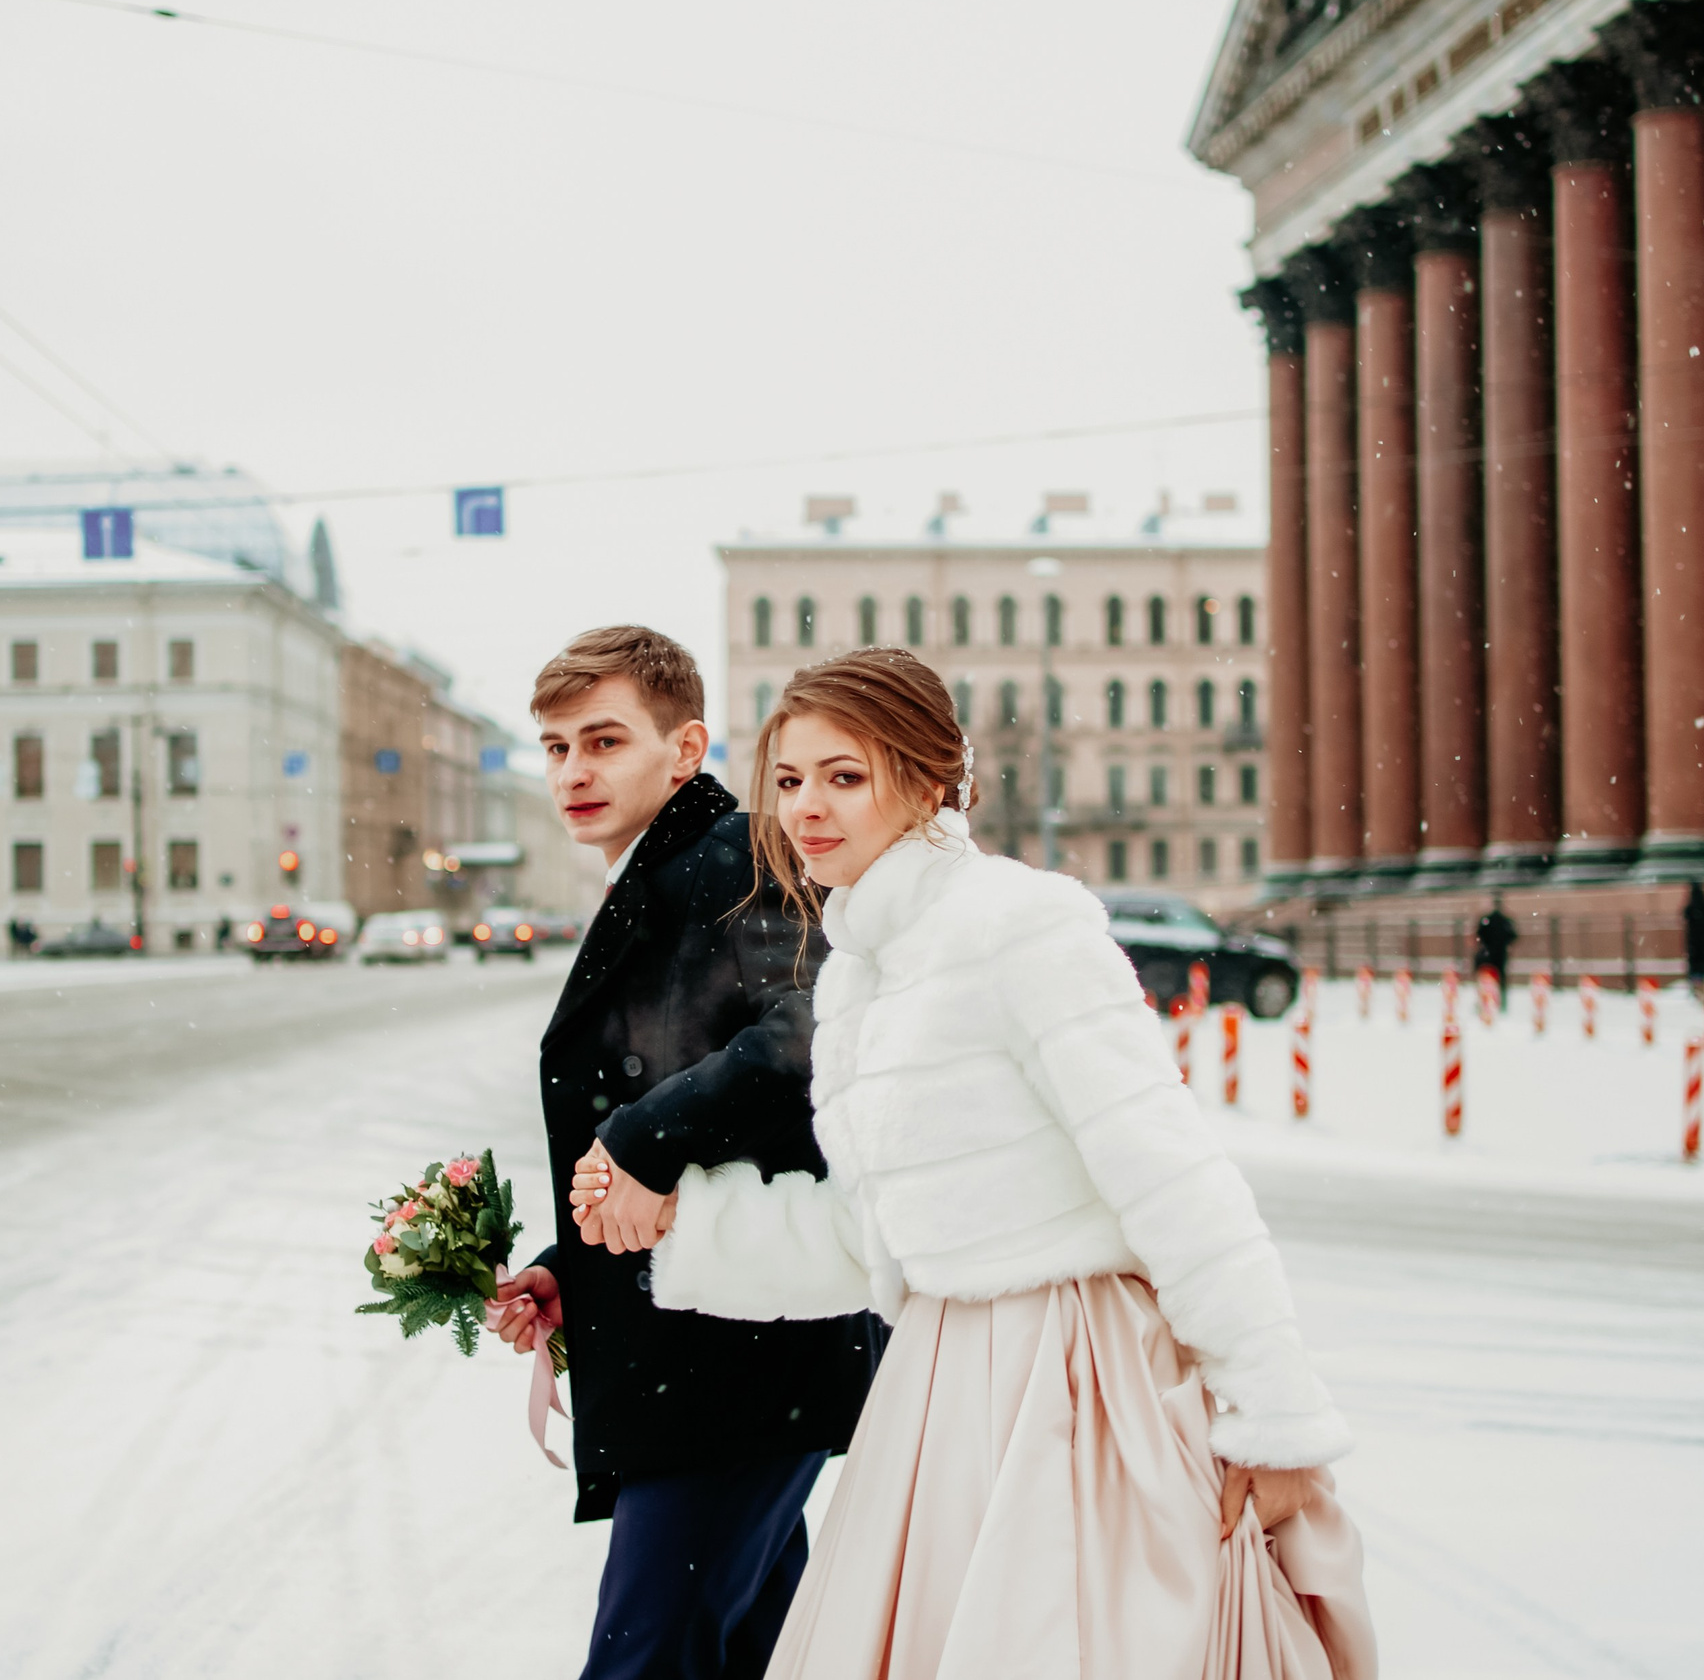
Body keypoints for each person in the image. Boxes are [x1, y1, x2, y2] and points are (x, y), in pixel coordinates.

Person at [577, 649, 1373, 1680]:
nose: (805, 806)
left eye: (843, 775)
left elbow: (1172, 1177)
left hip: (1078, 1378)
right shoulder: (863, 966)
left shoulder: (1020, 922)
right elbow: (883, 1232)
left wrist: (1274, 1419)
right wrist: (689, 1219)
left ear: (925, 779)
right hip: (938, 1386)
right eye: (788, 779)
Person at [486, 626, 882, 1680]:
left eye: (603, 741)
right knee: (759, 1648)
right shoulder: (662, 872)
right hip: (716, 1348)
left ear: (686, 746)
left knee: (646, 1658)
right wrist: (573, 1266)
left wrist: (640, 1141)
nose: (573, 770)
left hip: (738, 1357)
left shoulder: (736, 857)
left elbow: (815, 1027)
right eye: (556, 746)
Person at [1474, 895, 1517, 1009]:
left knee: (1484, 979)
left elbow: (1479, 934)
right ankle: (1501, 1002)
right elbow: (1513, 936)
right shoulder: (1505, 921)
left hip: (1487, 954)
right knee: (1500, 979)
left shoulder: (1487, 920)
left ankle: (1483, 1002)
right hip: (1500, 954)